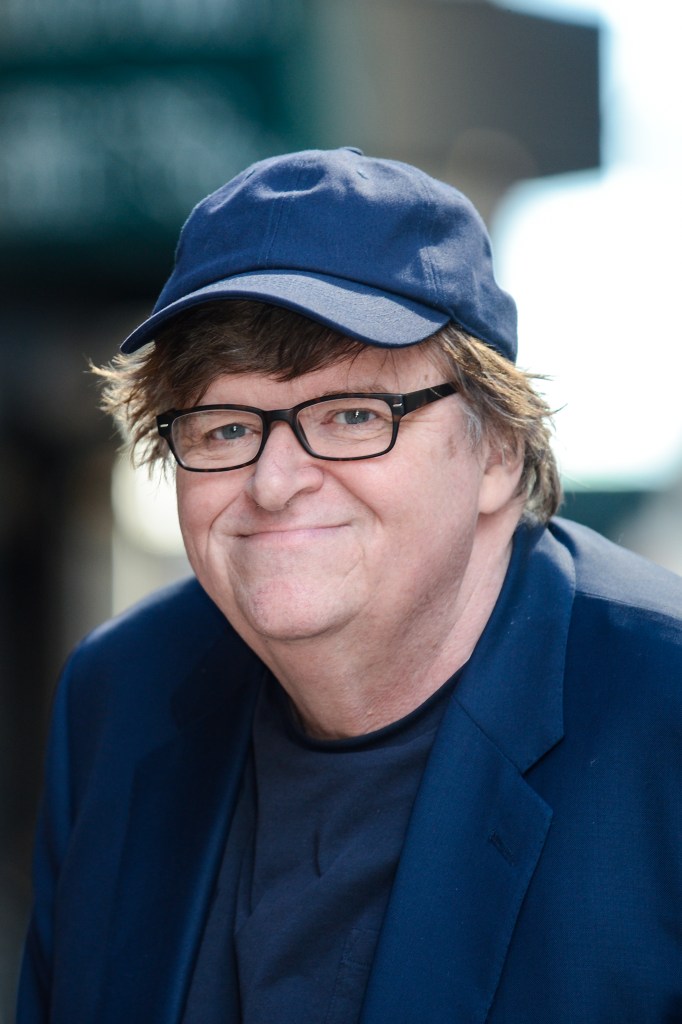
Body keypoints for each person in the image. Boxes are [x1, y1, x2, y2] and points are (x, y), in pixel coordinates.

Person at [17, 147, 682, 1024]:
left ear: (497, 452)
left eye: (353, 416)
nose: (274, 481)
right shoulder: (120, 695)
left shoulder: (663, 709)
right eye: (223, 428)